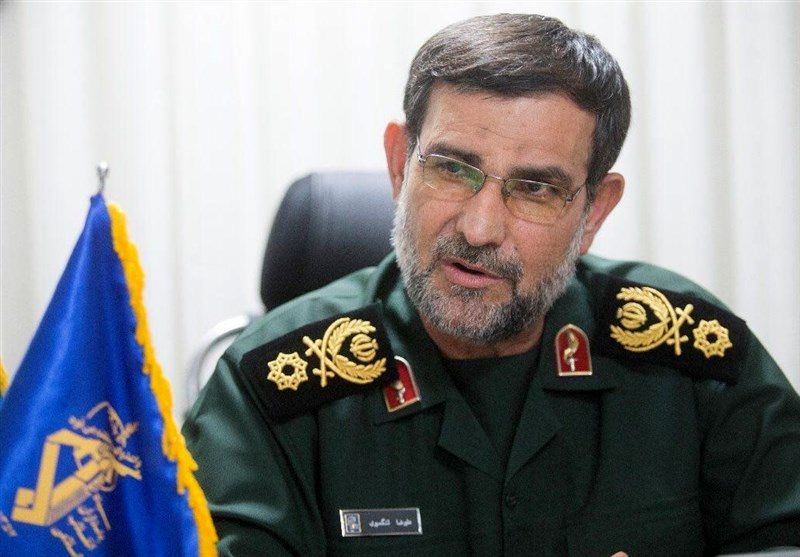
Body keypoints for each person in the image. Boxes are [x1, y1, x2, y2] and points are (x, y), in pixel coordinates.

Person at [183, 14, 800, 556]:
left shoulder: (691, 358)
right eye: (453, 169)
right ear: (399, 166)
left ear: (593, 212)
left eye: (534, 189)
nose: (479, 229)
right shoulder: (275, 385)